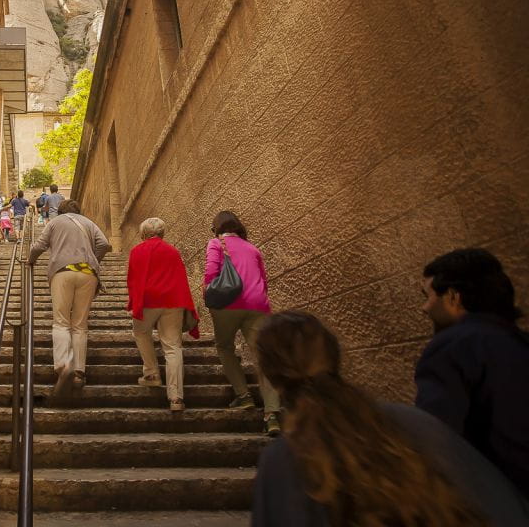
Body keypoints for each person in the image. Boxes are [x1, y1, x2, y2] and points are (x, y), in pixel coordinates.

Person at [252, 310, 529, 527]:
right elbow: (499, 505)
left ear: (271, 377)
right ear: (336, 358)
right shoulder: (415, 424)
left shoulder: (287, 459)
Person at [415, 248, 529, 496]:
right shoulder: (518, 341)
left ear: (454, 297)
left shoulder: (453, 346)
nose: (425, 308)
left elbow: (437, 439)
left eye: (429, 296)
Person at [203, 210, 281, 436]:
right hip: (258, 305)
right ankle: (272, 414)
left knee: (225, 347)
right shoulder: (253, 248)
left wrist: (208, 292)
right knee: (264, 356)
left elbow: (211, 271)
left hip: (227, 303)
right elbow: (264, 280)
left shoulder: (216, 243)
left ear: (217, 227)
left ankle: (244, 395)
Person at [29, 199, 111, 394]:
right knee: (80, 324)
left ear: (60, 211)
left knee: (61, 321)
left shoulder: (55, 223)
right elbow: (105, 244)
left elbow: (38, 246)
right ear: (78, 211)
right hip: (88, 273)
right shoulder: (88, 223)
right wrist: (92, 259)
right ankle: (79, 372)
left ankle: (64, 364)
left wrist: (30, 261)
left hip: (62, 271)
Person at [126, 218, 199, 412]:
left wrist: (134, 302)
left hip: (148, 301)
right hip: (172, 301)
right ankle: (176, 398)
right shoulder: (172, 251)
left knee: (141, 333)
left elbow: (133, 279)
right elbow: (180, 277)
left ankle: (151, 373)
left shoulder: (137, 251)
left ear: (143, 234)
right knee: (173, 346)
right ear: (162, 233)